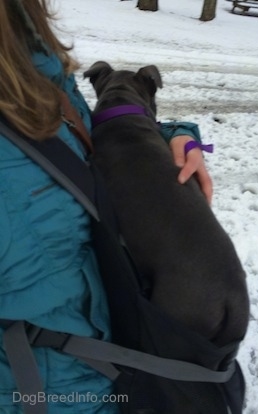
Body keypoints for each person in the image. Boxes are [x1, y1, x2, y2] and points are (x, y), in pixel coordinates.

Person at [0, 1, 214, 412]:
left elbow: (85, 142)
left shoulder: (32, 60)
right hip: (44, 396)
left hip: (121, 365)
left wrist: (172, 137)